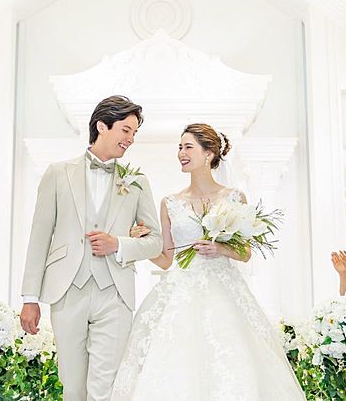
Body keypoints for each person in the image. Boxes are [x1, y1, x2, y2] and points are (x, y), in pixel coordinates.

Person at [111, 123, 305, 401]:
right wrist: (141, 241)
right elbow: (165, 260)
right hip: (179, 293)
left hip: (223, 291)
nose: (181, 153)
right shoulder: (170, 202)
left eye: (188, 147)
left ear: (209, 153)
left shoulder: (234, 197)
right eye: (180, 147)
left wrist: (220, 249)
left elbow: (246, 253)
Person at [19, 95, 163, 401]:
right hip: (67, 290)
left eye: (134, 133)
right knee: (72, 386)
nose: (131, 139)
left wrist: (118, 244)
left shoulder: (136, 181)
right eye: (126, 130)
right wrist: (30, 298)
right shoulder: (58, 173)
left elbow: (156, 243)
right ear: (101, 126)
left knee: (105, 388)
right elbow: (39, 237)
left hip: (115, 294)